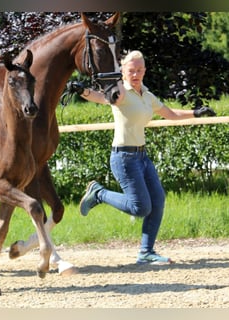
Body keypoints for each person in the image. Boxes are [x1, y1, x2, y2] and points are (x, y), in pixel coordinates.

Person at [76, 50, 216, 265]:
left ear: (144, 71)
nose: (136, 74)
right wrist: (83, 91)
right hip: (124, 158)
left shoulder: (147, 95)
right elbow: (100, 97)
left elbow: (170, 114)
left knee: (157, 202)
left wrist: (196, 112)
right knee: (140, 207)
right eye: (131, 70)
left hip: (142, 157)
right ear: (123, 71)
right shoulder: (119, 92)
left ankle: (146, 253)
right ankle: (99, 193)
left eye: (139, 70)